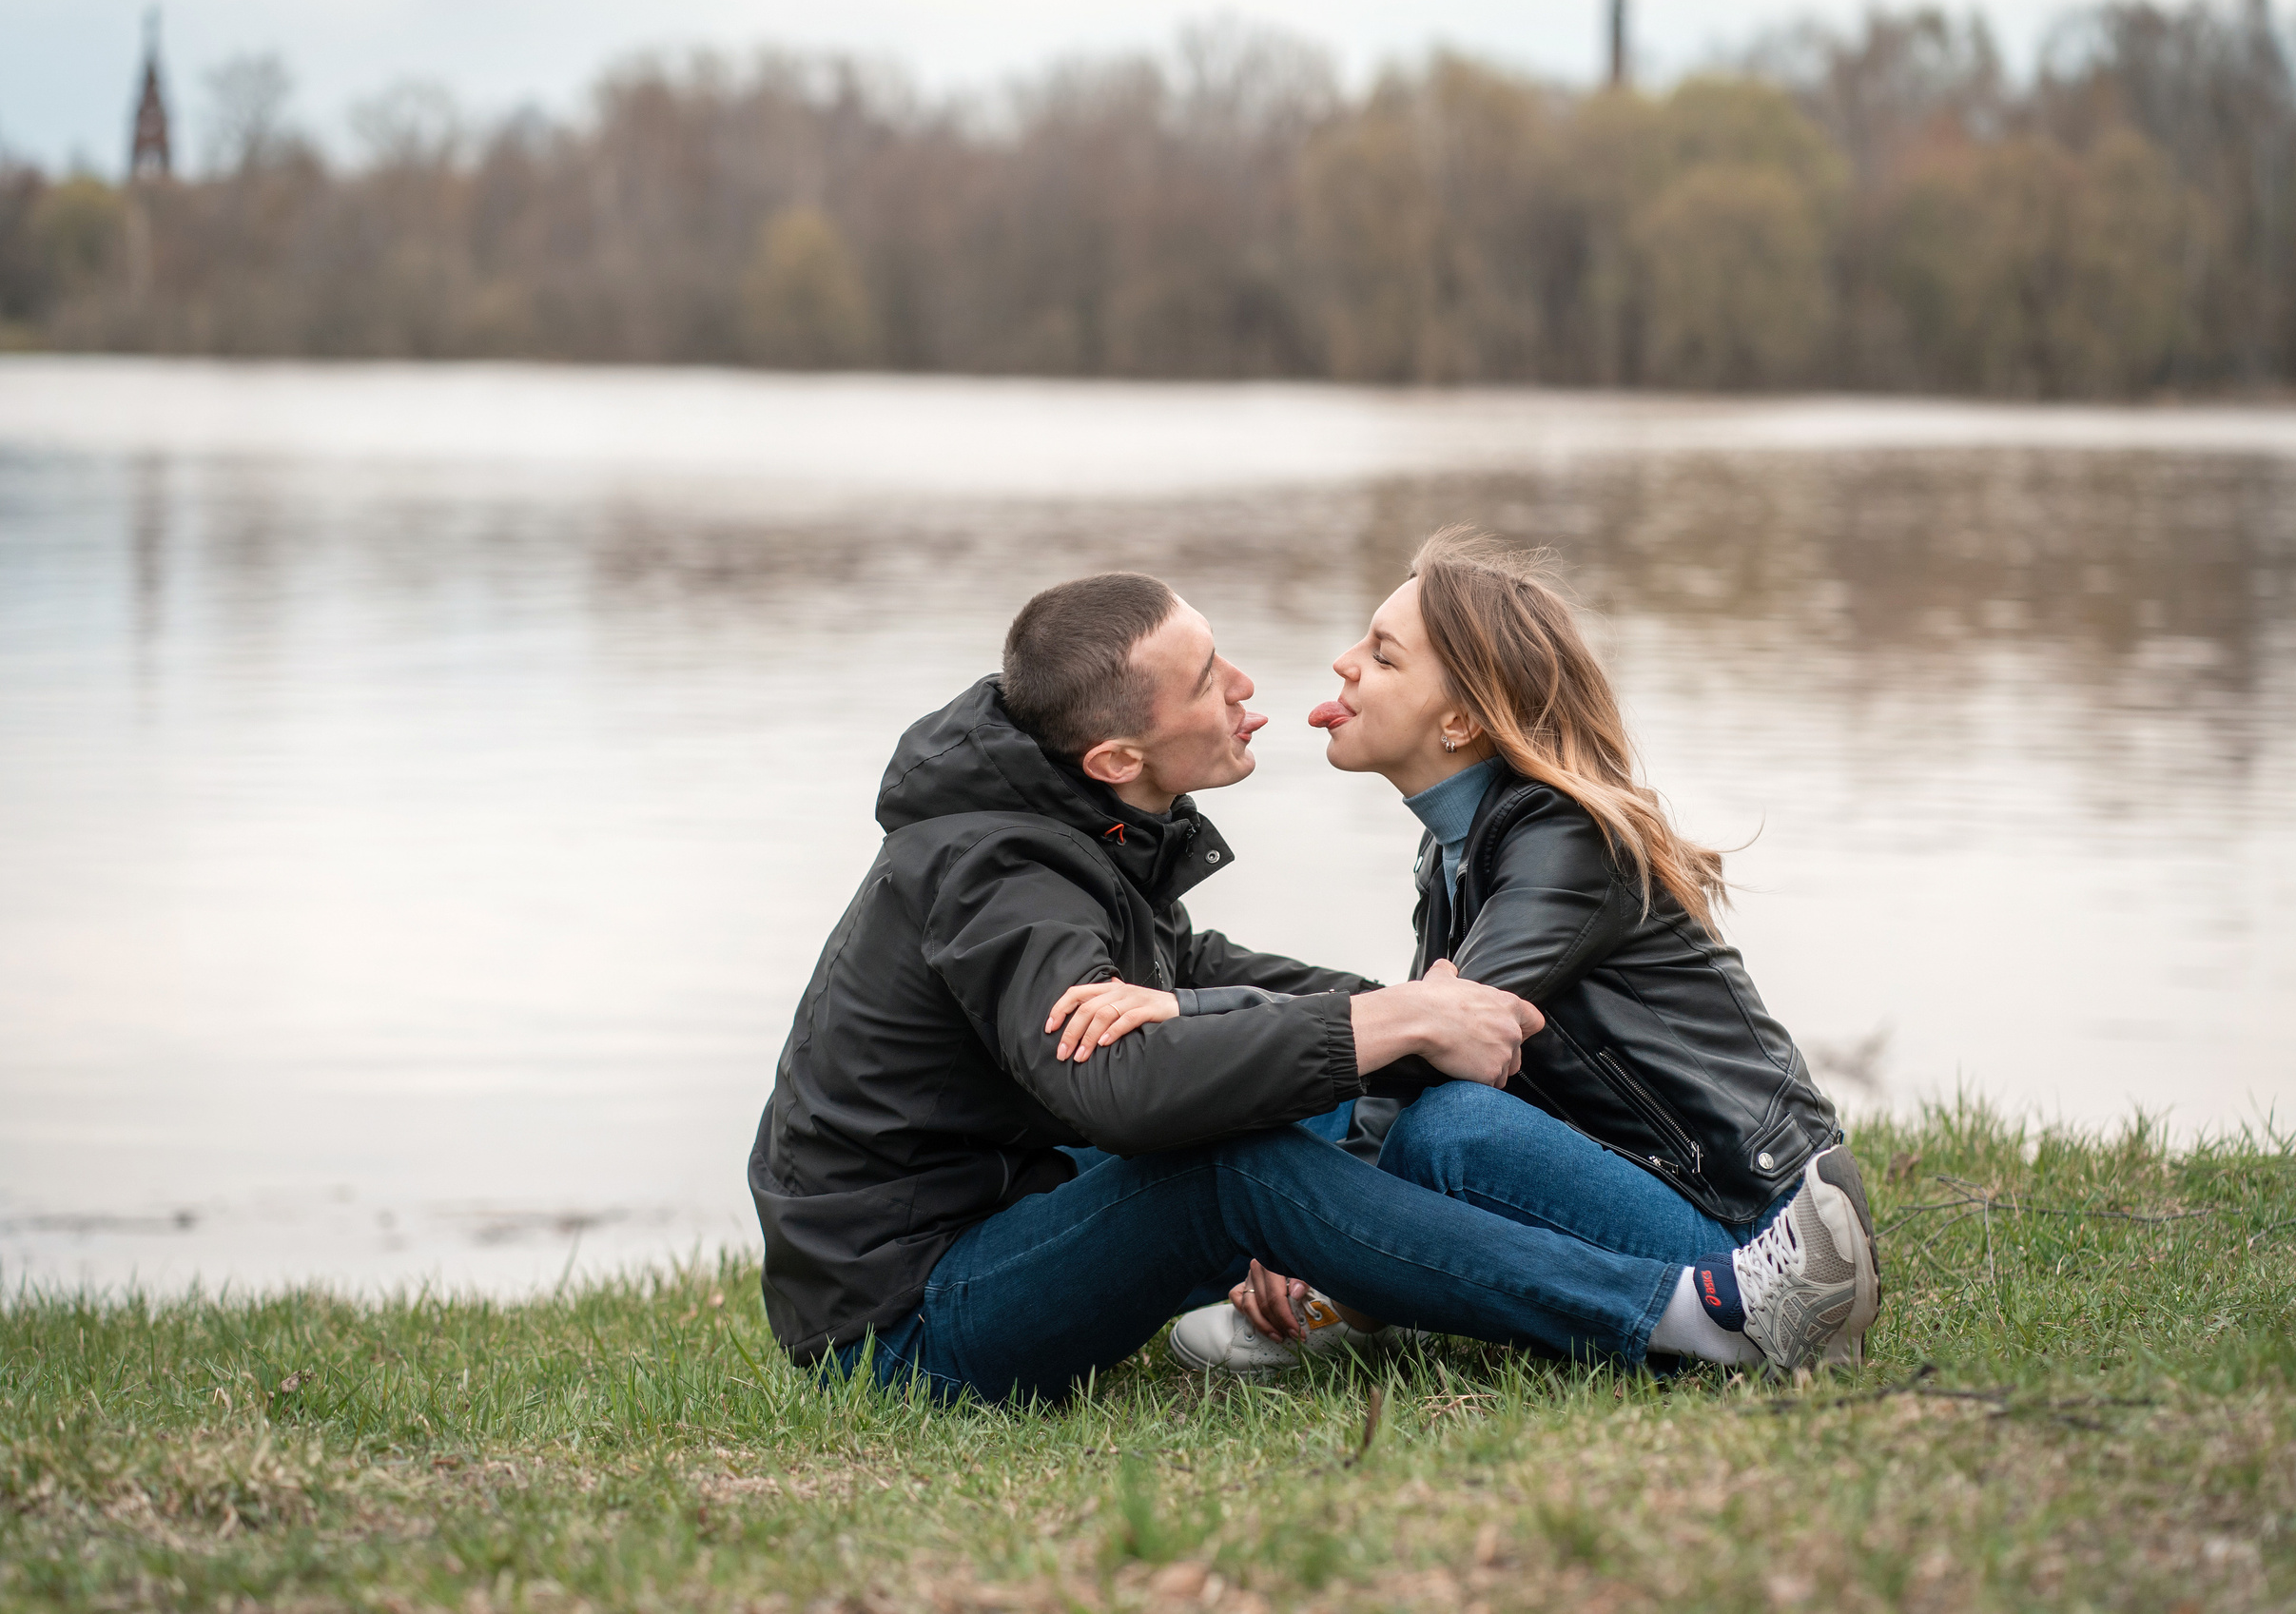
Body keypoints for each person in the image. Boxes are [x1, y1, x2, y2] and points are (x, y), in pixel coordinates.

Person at [746, 569, 1870, 1404]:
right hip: (898, 1335)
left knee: (1367, 1100)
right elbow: (1120, 1088)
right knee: (1253, 1158)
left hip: (1722, 1183)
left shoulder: (1074, 832)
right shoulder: (1002, 872)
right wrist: (1389, 1018)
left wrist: (1361, 1017)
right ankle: (1688, 1318)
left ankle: (1397, 1286)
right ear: (1116, 761)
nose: (1252, 684)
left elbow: (1209, 984)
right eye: (1203, 679)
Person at [1063, 531, 1879, 1375]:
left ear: (1460, 719)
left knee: (1454, 1132)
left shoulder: (1566, 837)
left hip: (1758, 1221)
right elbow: (1409, 1054)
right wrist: (1312, 1223)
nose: (1343, 663)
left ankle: (1748, 1311)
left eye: (1382, 655)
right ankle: (1359, 1289)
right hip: (1654, 1182)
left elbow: (1443, 1039)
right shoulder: (1460, 849)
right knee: (1370, 1115)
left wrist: (1188, 1011)